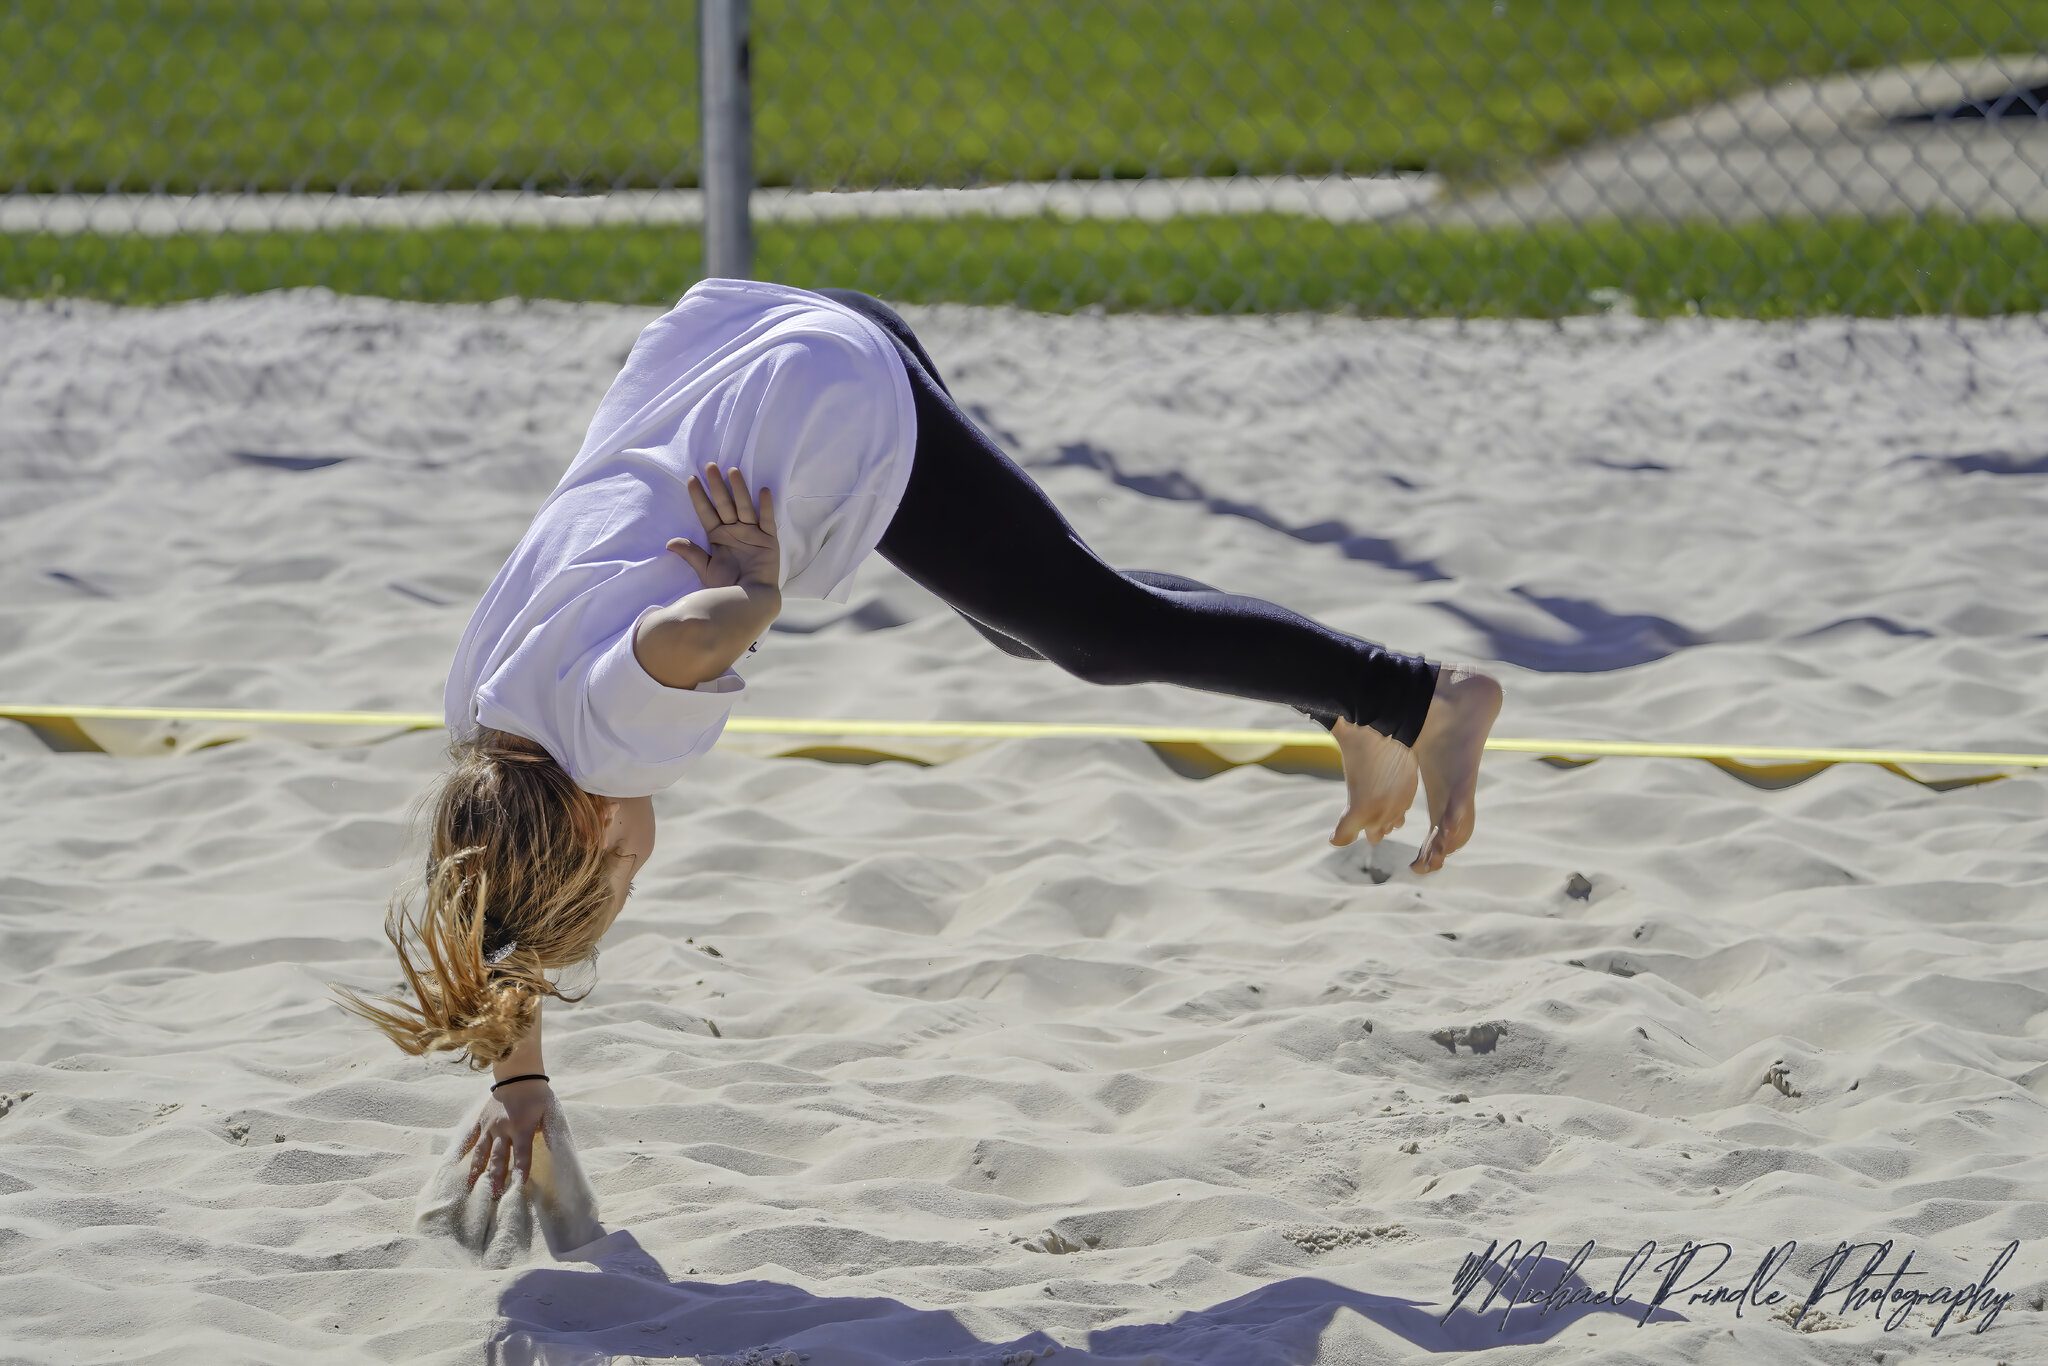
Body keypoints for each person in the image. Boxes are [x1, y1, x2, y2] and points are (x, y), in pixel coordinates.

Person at [330, 279, 1503, 1204]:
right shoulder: (486, 725)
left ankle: (1416, 697)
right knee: (1039, 618)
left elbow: (686, 638)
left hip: (823, 399)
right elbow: (497, 911)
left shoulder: (612, 742)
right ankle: (1340, 698)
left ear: (589, 826)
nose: (642, 859)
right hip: (748, 351)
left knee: (1087, 628)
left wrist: (750, 592)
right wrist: (519, 1078)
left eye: (623, 872)